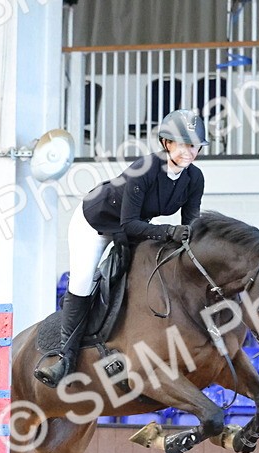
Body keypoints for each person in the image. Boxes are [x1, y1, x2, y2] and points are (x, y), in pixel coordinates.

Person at [35, 109, 209, 388]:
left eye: (195, 146)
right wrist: (169, 232)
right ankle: (63, 360)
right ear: (167, 144)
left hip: (134, 229)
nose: (190, 151)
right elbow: (129, 224)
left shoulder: (194, 179)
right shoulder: (145, 169)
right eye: (184, 144)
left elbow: (191, 225)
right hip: (95, 223)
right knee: (82, 283)